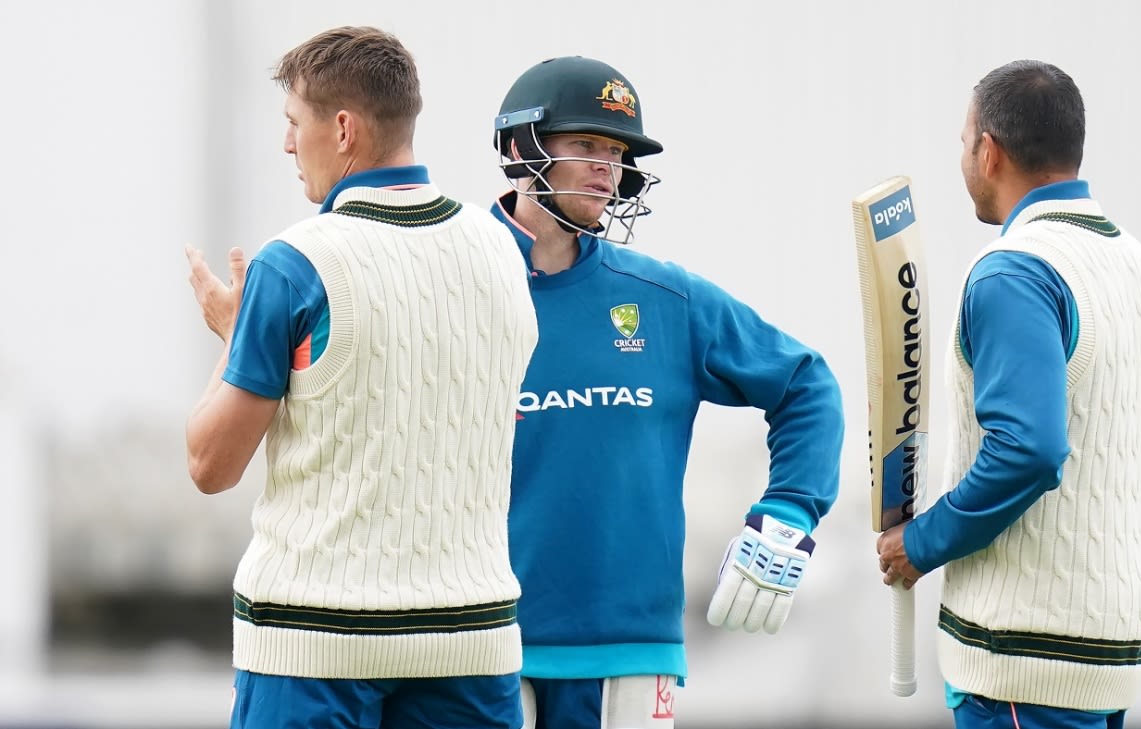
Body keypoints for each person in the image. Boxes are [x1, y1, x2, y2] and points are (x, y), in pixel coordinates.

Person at [183, 26, 537, 729]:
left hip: (315, 647)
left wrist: (232, 338)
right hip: (471, 641)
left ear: (341, 128)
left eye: (294, 124)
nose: (287, 145)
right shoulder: (501, 250)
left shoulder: (296, 263)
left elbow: (211, 464)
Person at [487, 56, 845, 729]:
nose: (607, 168)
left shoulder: (663, 298)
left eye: (617, 152)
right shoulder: (452, 281)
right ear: (520, 148)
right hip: (483, 646)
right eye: (586, 145)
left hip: (631, 648)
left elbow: (806, 383)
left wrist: (790, 510)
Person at [875, 59, 1141, 729]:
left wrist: (924, 541)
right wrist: (1132, 605)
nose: (963, 158)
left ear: (989, 151)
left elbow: (1029, 447)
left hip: (1022, 668)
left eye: (964, 143)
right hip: (1112, 663)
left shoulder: (1013, 273)